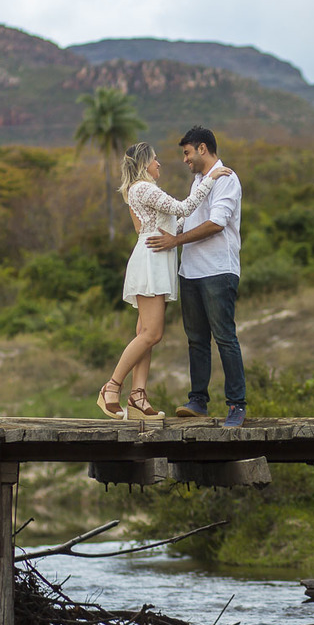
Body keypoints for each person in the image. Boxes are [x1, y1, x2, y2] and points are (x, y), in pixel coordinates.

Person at [96, 142, 232, 419]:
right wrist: (210, 180)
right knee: (152, 334)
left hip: (158, 257)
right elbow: (183, 208)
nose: (160, 164)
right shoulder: (144, 188)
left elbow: (174, 224)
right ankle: (111, 387)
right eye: (155, 160)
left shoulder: (142, 191)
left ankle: (138, 398)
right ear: (145, 163)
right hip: (151, 259)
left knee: (144, 334)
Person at [147, 126, 247, 428]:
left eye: (187, 153)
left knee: (225, 338)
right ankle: (198, 401)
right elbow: (190, 218)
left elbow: (217, 223)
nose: (184, 159)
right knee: (196, 340)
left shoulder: (226, 179)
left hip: (218, 270)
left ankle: (236, 404)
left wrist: (175, 242)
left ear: (203, 148)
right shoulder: (199, 181)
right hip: (190, 271)